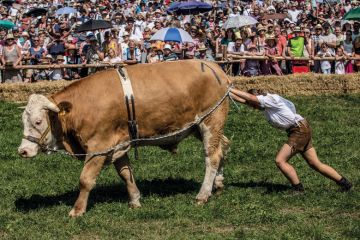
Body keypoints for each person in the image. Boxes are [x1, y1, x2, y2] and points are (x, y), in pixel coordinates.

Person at [229, 88, 353, 192]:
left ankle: (298, 189)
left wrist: (230, 88)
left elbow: (251, 99)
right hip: (301, 128)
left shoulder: (270, 99)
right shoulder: (266, 105)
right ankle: (345, 184)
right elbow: (248, 101)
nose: (253, 108)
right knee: (315, 163)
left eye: (253, 104)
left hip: (298, 131)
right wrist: (227, 94)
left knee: (280, 160)